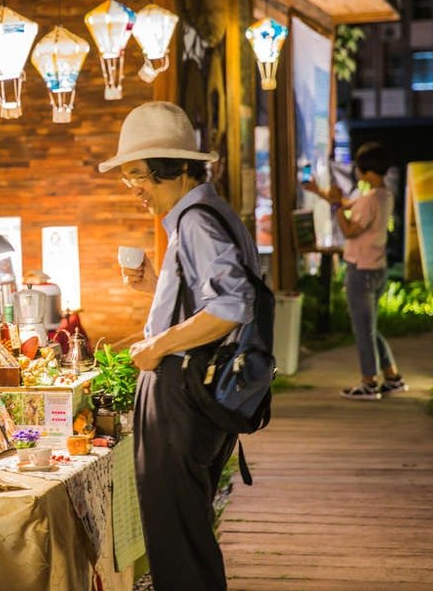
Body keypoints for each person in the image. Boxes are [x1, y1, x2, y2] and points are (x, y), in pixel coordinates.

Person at [98, 101, 258, 591]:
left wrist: (156, 345)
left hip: (183, 393)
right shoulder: (210, 215)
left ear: (176, 168)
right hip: (203, 392)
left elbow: (233, 306)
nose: (134, 190)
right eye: (127, 178)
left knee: (177, 537)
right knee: (184, 530)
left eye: (138, 176)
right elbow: (212, 304)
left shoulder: (196, 222)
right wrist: (157, 288)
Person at [305, 142, 407, 400]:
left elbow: (350, 228)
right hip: (377, 268)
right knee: (369, 325)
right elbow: (350, 204)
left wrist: (338, 207)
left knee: (363, 329)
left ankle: (369, 382)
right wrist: (321, 192)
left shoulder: (370, 199)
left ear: (365, 170)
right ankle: (392, 376)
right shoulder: (383, 195)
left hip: (361, 271)